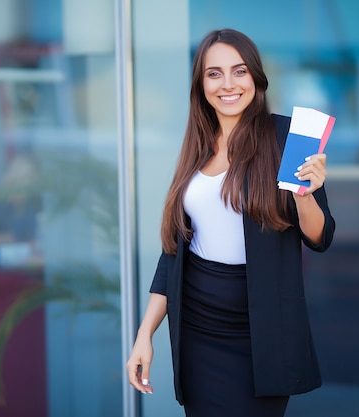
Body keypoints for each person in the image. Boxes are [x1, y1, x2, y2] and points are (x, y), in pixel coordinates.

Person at [126, 28, 336, 417]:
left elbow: (319, 237)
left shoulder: (289, 136)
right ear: (201, 83)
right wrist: (144, 336)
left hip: (262, 334)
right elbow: (173, 252)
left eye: (239, 71)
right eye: (214, 73)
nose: (227, 84)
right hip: (197, 332)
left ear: (256, 77)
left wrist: (304, 196)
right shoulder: (197, 145)